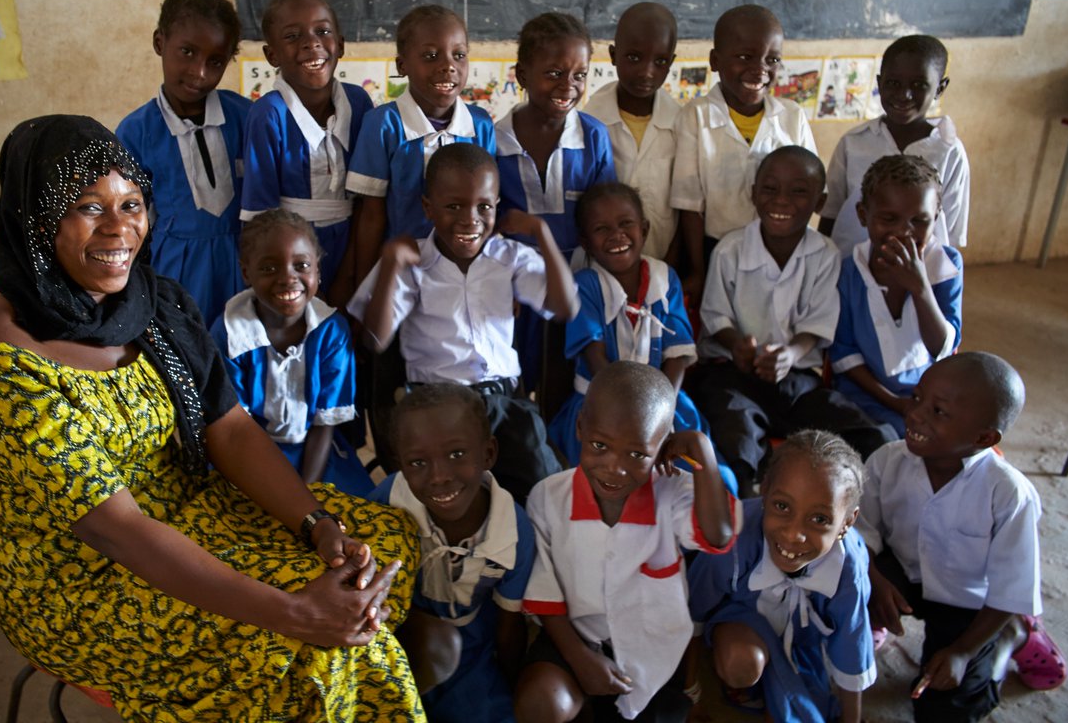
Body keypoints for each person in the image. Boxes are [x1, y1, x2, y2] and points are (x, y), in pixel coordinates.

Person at [0, 115, 424, 721]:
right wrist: (293, 609)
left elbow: (229, 427)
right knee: (312, 650)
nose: (120, 229)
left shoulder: (151, 302)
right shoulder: (3, 368)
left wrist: (316, 524)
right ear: (40, 219)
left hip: (194, 510)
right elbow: (116, 530)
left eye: (131, 203)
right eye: (89, 207)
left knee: (387, 541)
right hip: (86, 578)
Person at [348, 142, 576, 506]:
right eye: (453, 206)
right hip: (438, 407)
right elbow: (375, 339)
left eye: (484, 206)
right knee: (447, 498)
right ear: (428, 208)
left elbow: (564, 308)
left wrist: (541, 233)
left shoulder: (509, 257)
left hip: (503, 403)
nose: (470, 219)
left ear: (496, 205)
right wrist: (391, 262)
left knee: (544, 490)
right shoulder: (414, 263)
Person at [516, 361, 739, 722]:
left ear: (664, 446)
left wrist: (703, 452)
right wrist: (579, 658)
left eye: (637, 454)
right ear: (579, 428)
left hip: (652, 651)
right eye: (600, 445)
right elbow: (544, 591)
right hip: (574, 640)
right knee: (542, 701)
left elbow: (718, 536)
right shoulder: (548, 497)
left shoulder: (675, 492)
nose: (614, 467)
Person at [856, 352, 1067, 720]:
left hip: (971, 604)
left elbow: (1010, 589)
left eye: (938, 412)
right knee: (844, 580)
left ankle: (1010, 638)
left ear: (984, 437)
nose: (916, 413)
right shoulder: (887, 460)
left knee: (946, 705)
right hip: (902, 574)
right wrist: (872, 579)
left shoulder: (1008, 495)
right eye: (918, 397)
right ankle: (876, 615)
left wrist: (963, 652)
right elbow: (859, 530)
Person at [691, 146, 896, 492]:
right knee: (735, 436)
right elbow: (715, 315)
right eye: (770, 189)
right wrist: (736, 344)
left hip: (797, 381)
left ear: (819, 202)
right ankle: (749, 505)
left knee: (874, 435)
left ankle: (863, 510)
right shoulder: (731, 249)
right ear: (754, 194)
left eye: (799, 191)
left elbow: (816, 326)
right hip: (732, 376)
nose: (782, 201)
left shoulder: (825, 255)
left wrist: (789, 355)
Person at [545, 182, 736, 494]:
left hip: (664, 402)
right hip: (599, 407)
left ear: (644, 229)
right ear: (585, 241)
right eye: (601, 228)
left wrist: (661, 411)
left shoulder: (665, 278)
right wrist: (632, 420)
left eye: (626, 224)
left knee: (712, 480)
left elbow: (677, 356)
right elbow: (597, 361)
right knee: (599, 484)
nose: (616, 235)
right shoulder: (585, 284)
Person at [370, 384, 536, 723]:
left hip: (474, 651)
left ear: (488, 454)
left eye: (457, 454)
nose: (440, 477)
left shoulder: (513, 531)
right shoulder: (388, 501)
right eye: (418, 462)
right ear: (399, 463)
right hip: (403, 637)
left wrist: (508, 681)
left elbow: (509, 626)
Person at [688, 431, 876, 723]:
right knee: (741, 662)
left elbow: (851, 642)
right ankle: (747, 682)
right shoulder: (733, 536)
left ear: (847, 522)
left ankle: (777, 677)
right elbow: (695, 609)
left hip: (803, 635)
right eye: (782, 506)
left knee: (801, 699)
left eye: (819, 519)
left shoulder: (847, 568)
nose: (793, 534)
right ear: (764, 491)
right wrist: (691, 692)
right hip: (741, 617)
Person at [211, 209, 373, 496]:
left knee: (358, 511)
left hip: (316, 452)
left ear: (317, 270)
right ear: (246, 272)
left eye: (301, 265)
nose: (288, 278)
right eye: (269, 268)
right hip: (246, 452)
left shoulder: (331, 331)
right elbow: (237, 430)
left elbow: (324, 426)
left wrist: (305, 493)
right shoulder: (229, 333)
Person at [116, 0, 252, 325]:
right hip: (175, 267)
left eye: (215, 61)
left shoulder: (247, 117)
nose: (199, 72)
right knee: (185, 347)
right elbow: (130, 218)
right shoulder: (136, 131)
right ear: (160, 43)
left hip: (244, 259)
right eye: (187, 52)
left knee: (241, 347)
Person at [669, 4, 816, 306]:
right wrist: (697, 270)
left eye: (772, 59)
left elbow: (811, 188)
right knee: (718, 329)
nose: (760, 69)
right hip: (714, 250)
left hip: (780, 251)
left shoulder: (792, 116)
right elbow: (690, 204)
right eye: (745, 57)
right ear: (715, 61)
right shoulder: (695, 116)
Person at [348, 4, 496, 286]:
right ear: (402, 65)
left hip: (462, 269)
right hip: (402, 271)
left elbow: (488, 208)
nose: (448, 65)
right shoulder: (383, 124)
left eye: (459, 55)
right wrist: (365, 287)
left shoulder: (480, 125)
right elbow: (370, 216)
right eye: (430, 56)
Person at [240, 0, 373, 300]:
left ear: (340, 44)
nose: (311, 43)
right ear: (272, 55)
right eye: (292, 36)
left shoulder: (359, 102)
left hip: (354, 246)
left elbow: (369, 201)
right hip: (289, 258)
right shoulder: (268, 115)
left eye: (322, 31)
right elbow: (261, 218)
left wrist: (351, 274)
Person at [831, 155, 963, 436]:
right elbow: (845, 354)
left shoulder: (947, 266)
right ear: (863, 214)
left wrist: (920, 287)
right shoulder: (849, 272)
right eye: (889, 218)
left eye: (920, 221)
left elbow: (943, 348)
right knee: (877, 441)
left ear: (936, 217)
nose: (904, 232)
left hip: (928, 397)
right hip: (865, 395)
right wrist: (894, 403)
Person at [819, 35, 970, 254]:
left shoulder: (949, 152)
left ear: (940, 88)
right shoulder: (853, 143)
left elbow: (951, 232)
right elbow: (831, 214)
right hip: (852, 266)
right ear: (880, 83)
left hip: (919, 270)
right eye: (893, 83)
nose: (904, 94)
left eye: (919, 85)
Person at [495, 11, 617, 262]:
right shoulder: (494, 141)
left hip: (581, 276)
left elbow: (607, 215)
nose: (568, 85)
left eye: (579, 75)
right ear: (522, 75)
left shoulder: (593, 137)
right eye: (554, 73)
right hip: (512, 277)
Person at [584, 3, 681, 262]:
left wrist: (672, 267)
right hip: (601, 264)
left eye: (660, 61)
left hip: (663, 260)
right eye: (634, 58)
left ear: (671, 63)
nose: (646, 72)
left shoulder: (682, 124)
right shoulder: (589, 121)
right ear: (614, 55)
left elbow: (687, 203)